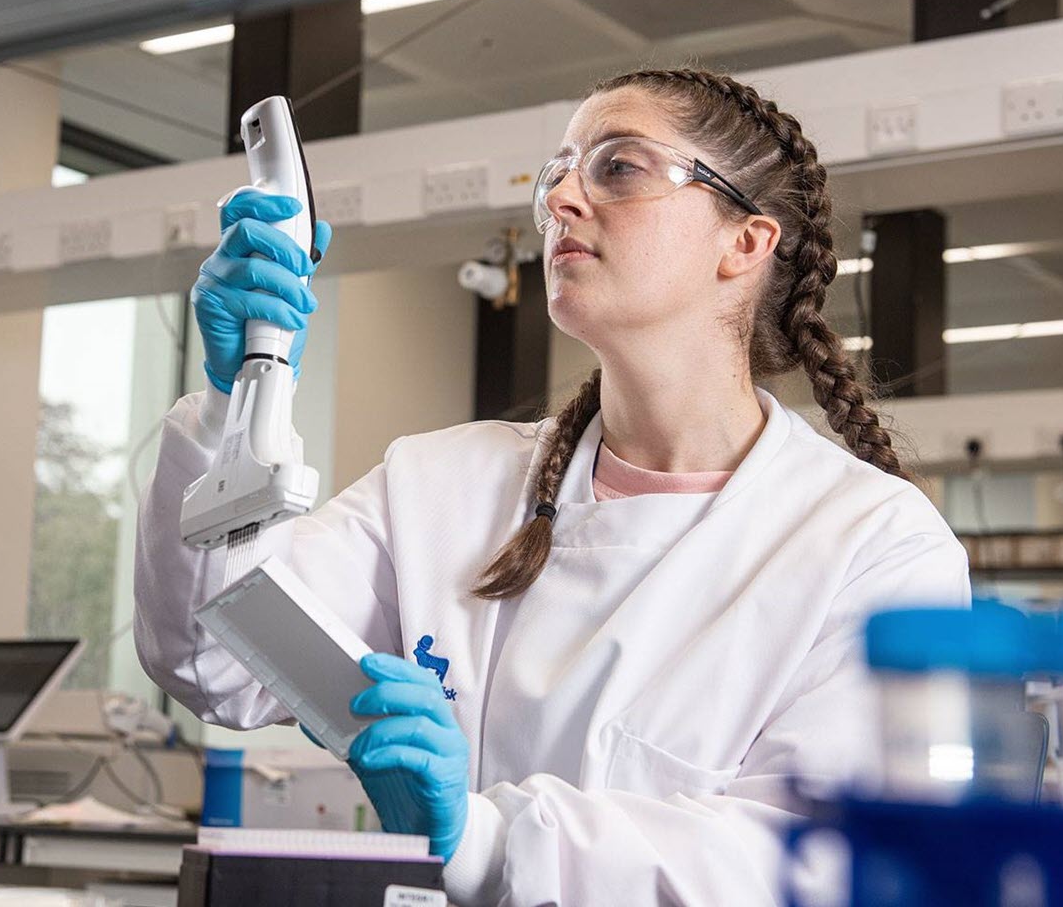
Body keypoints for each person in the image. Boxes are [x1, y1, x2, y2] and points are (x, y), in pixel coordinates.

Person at [135, 67, 969, 906]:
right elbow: (218, 661)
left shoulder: (874, 544)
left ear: (745, 244)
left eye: (618, 167)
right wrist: (234, 401)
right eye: (558, 173)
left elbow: (826, 862)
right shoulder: (440, 485)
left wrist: (490, 840)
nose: (562, 197)